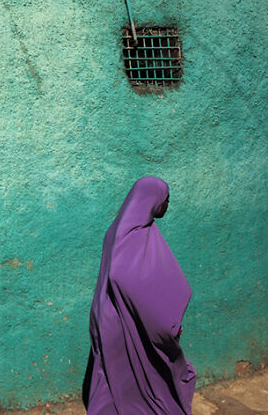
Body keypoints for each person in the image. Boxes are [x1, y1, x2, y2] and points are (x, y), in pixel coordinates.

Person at [84, 176, 196, 414]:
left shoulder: (120, 229)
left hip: (107, 315)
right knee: (129, 386)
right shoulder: (134, 234)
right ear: (152, 200)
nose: (167, 205)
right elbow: (121, 277)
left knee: (112, 384)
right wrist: (165, 323)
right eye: (166, 199)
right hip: (121, 321)